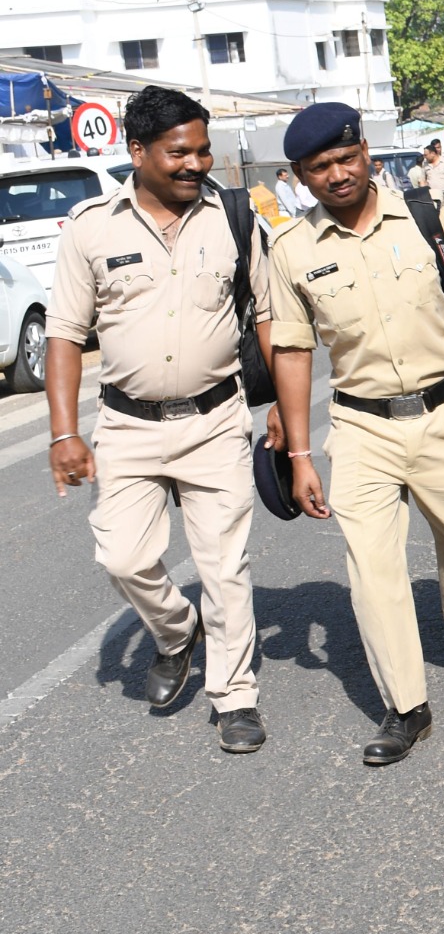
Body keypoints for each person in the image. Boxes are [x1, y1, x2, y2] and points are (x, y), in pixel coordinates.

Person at [269, 102, 444, 766]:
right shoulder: (291, 251)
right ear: (300, 176)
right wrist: (300, 454)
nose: (336, 175)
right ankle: (406, 706)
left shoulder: (423, 215)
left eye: (345, 159)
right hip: (360, 426)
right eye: (319, 168)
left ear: (366, 155)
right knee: (371, 567)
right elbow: (292, 354)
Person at [43, 85, 276, 754]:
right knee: (121, 554)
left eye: (202, 151)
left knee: (224, 567)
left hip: (214, 421)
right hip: (126, 426)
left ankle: (234, 697)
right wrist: (64, 433)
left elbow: (266, 317)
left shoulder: (232, 219)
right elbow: (63, 333)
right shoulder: (91, 226)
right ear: (137, 151)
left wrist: (286, 419)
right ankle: (176, 633)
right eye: (179, 152)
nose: (195, 164)